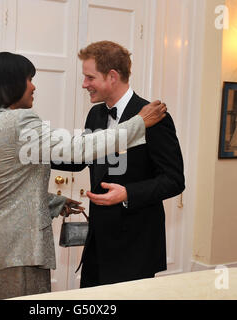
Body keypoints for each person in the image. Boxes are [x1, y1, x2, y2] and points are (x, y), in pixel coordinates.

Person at [0, 52, 167, 300]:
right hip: (18, 250)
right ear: (11, 84)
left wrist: (54, 202)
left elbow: (3, 181)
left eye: (88, 76)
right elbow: (78, 150)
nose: (33, 86)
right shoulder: (20, 120)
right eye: (29, 78)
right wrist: (139, 123)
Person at [52, 41, 185, 288]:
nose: (84, 84)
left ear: (112, 76)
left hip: (136, 246)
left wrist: (127, 194)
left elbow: (174, 180)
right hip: (97, 244)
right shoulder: (96, 114)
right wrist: (35, 153)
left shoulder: (154, 117)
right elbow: (81, 157)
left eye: (89, 77)